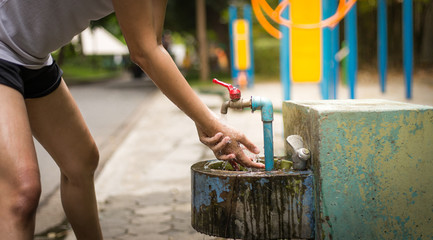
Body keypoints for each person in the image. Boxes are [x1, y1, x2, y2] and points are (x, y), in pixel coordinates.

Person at [0, 0, 264, 239]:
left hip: (32, 59)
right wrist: (210, 122)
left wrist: (202, 120)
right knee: (23, 192)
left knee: (80, 162)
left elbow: (155, 44)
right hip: (4, 48)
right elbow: (143, 52)